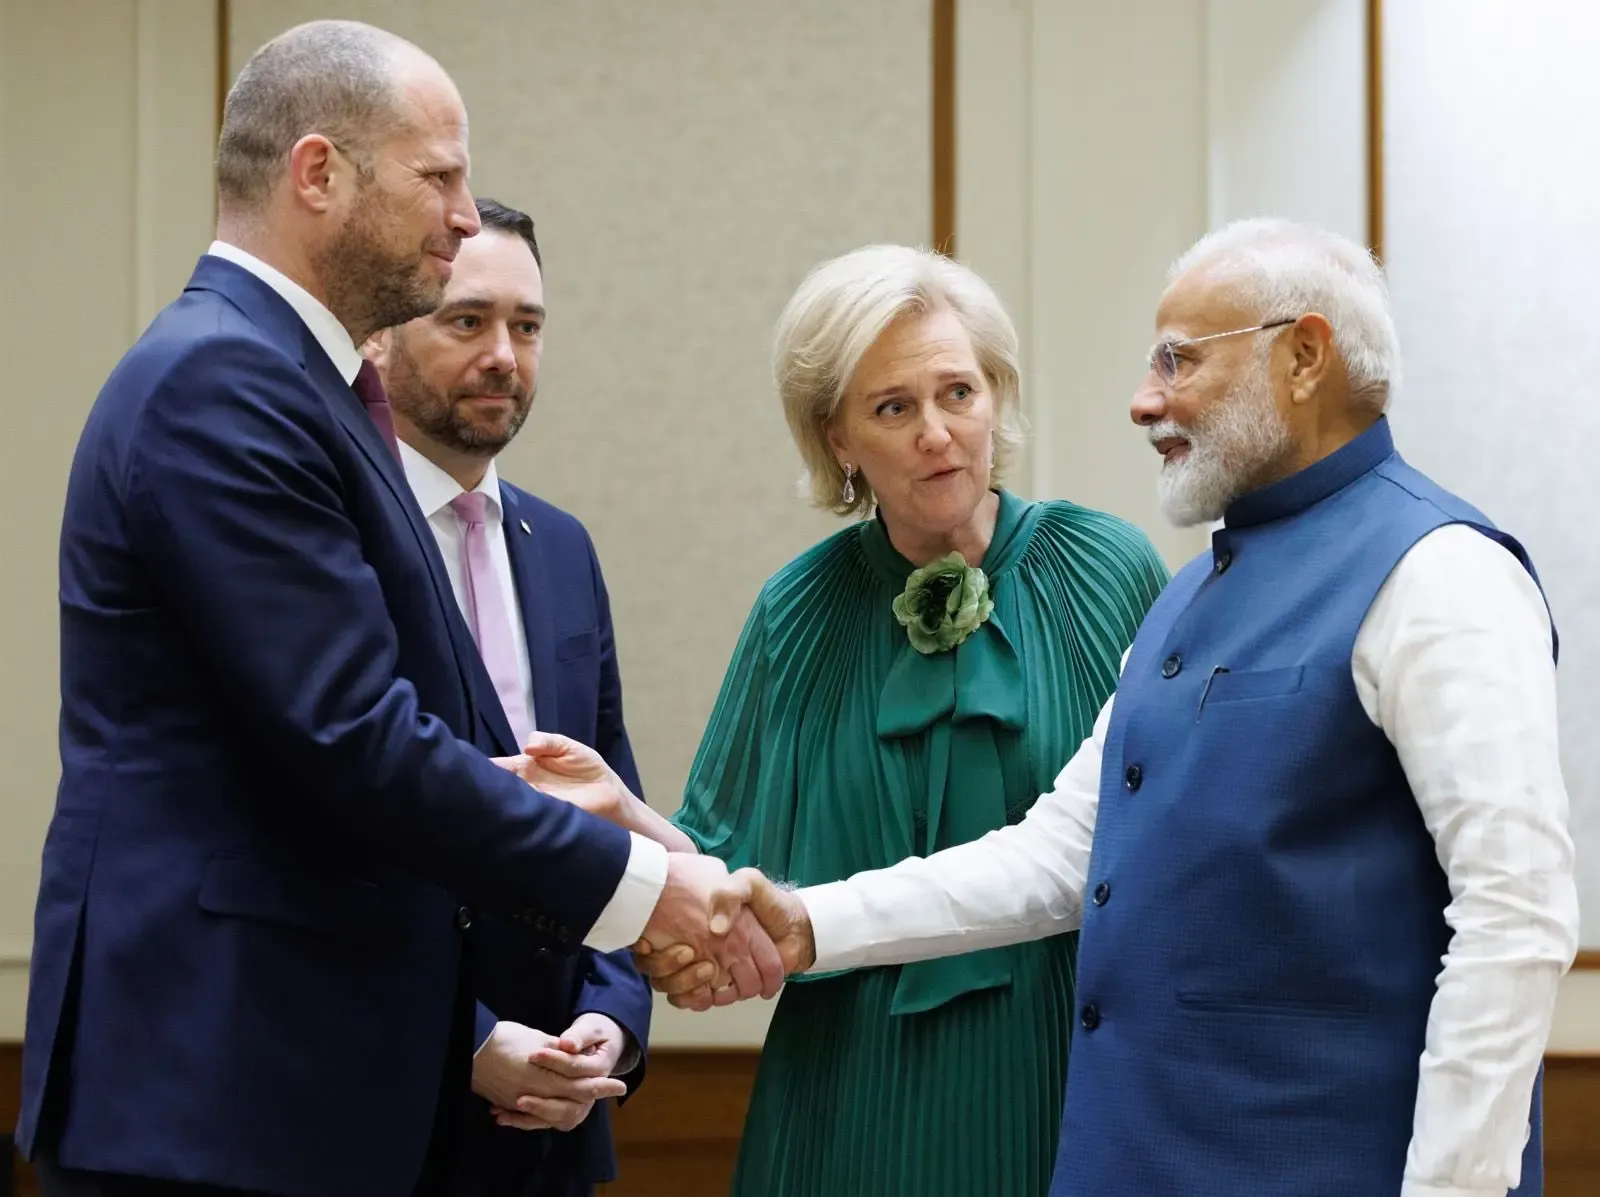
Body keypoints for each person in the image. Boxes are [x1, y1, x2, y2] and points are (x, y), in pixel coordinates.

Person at [625, 219, 1581, 1197]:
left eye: (1178, 361)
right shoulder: (1185, 598)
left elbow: (1515, 915)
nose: (1143, 400)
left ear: (1302, 357)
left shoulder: (1440, 573)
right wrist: (806, 923)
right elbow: (1059, 855)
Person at [18, 21, 776, 1197]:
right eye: (439, 176)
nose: (467, 215)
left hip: (290, 1089)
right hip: (215, 1091)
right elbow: (355, 737)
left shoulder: (302, 389)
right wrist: (645, 889)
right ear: (317, 174)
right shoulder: (225, 382)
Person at [516, 243, 1171, 1197]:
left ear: (997, 395)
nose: (937, 433)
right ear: (838, 439)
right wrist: (627, 816)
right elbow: (721, 871)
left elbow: (1163, 842)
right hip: (849, 1096)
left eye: (958, 392)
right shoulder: (799, 611)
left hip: (1063, 1078)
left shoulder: (1108, 570)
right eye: (893, 407)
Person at [365, 196, 653, 1197]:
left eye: (526, 326)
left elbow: (613, 809)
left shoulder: (564, 549)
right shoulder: (332, 542)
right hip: (383, 1110)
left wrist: (610, 1020)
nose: (504, 355)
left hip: (558, 1130)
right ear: (382, 334)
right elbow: (327, 828)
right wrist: (473, 1041)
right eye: (466, 320)